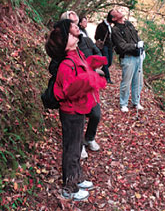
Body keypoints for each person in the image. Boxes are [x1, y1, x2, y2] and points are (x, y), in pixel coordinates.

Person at [45, 19, 107, 201]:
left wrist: (94, 63)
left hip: (79, 110)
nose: (75, 34)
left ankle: (77, 178)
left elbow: (83, 68)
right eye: (71, 35)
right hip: (71, 112)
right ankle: (69, 188)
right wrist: (91, 80)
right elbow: (69, 89)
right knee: (71, 150)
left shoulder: (76, 54)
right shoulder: (65, 64)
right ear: (65, 43)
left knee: (77, 146)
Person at [60, 11, 103, 159]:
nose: (76, 25)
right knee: (80, 118)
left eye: (76, 21)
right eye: (72, 23)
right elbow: (55, 67)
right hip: (77, 89)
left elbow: (93, 49)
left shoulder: (82, 37)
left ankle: (89, 138)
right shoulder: (64, 44)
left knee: (96, 114)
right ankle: (79, 146)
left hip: (89, 86)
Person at [107, 9, 145, 112]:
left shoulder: (128, 23)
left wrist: (141, 45)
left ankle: (136, 102)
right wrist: (135, 46)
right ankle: (123, 104)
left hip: (138, 56)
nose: (119, 11)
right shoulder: (115, 30)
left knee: (138, 81)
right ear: (114, 18)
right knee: (126, 82)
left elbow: (136, 36)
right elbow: (121, 46)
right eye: (116, 12)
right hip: (128, 58)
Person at [94, 14, 113, 84]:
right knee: (105, 62)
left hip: (110, 46)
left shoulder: (111, 27)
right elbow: (96, 36)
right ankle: (107, 77)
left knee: (109, 62)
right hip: (103, 46)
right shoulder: (101, 26)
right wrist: (100, 40)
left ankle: (99, 73)